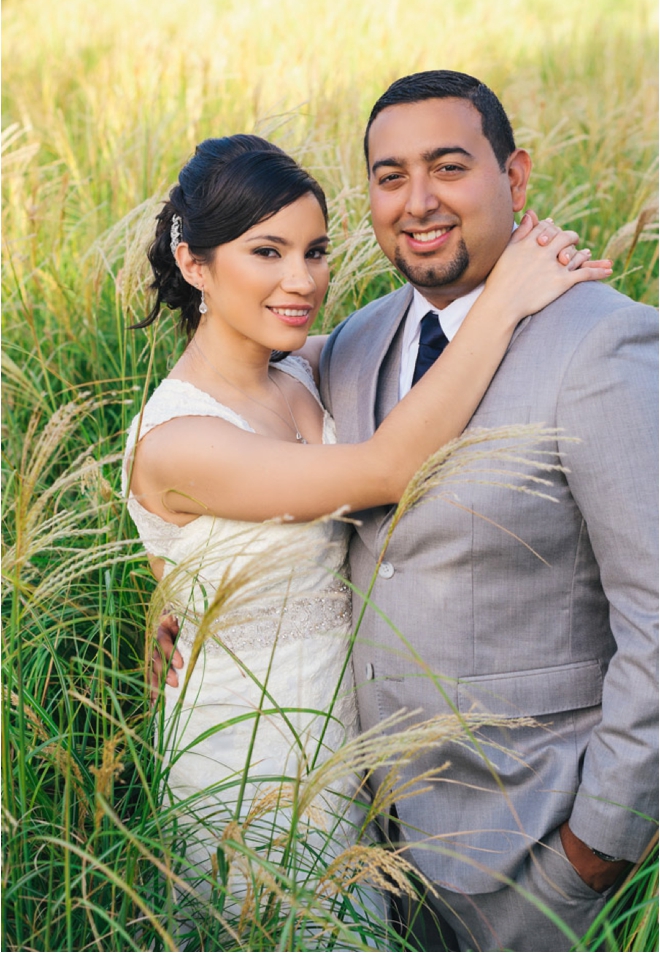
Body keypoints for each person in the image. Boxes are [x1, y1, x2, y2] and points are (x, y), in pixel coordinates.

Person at [128, 131, 610, 936]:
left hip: (349, 745)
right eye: (267, 252)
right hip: (250, 760)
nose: (302, 280)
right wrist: (505, 300)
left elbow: (409, 352)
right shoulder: (180, 441)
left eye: (315, 251)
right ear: (195, 264)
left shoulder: (304, 369)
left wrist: (499, 270)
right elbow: (389, 467)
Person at [315, 71, 658, 951]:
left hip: (539, 853)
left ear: (516, 179)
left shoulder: (600, 340)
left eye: (449, 166)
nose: (418, 201)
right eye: (390, 176)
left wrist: (596, 849)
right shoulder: (352, 345)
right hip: (377, 850)